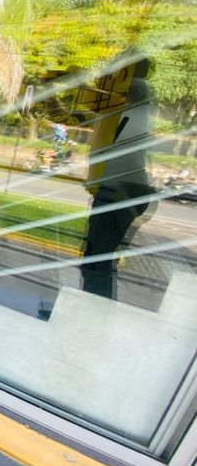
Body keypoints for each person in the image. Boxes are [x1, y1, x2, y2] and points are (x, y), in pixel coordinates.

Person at [81, 60, 156, 299]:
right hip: (118, 188)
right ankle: (93, 305)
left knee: (97, 260)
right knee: (96, 258)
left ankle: (95, 309)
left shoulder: (132, 92)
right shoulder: (131, 99)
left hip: (119, 189)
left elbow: (92, 108)